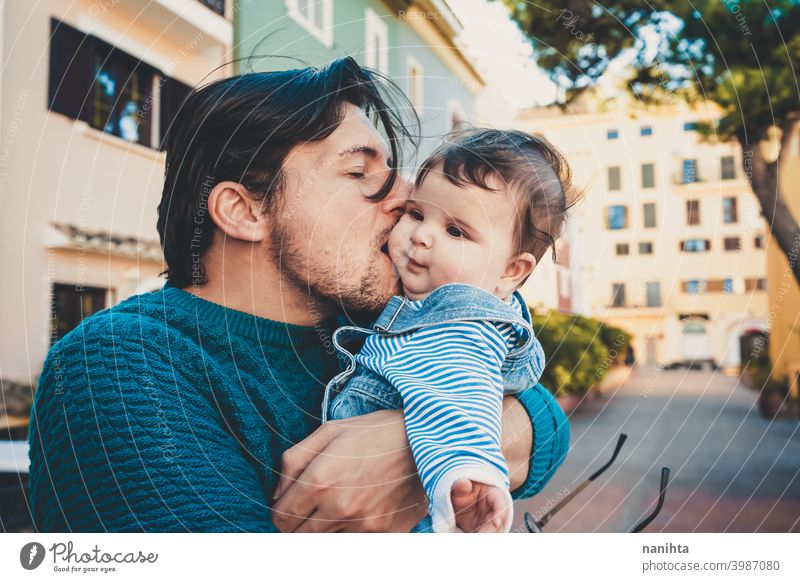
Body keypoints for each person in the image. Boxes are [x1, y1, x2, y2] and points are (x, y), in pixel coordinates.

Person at [29, 57, 555, 532]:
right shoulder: (120, 366)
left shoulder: (358, 330)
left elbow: (543, 416)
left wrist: (410, 447)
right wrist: (449, 443)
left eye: (393, 172)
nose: (404, 198)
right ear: (244, 211)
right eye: (359, 171)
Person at [324, 129, 575, 532]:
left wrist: (469, 472)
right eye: (417, 214)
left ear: (512, 271)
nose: (421, 235)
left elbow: (458, 398)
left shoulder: (457, 323)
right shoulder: (428, 305)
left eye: (456, 231)